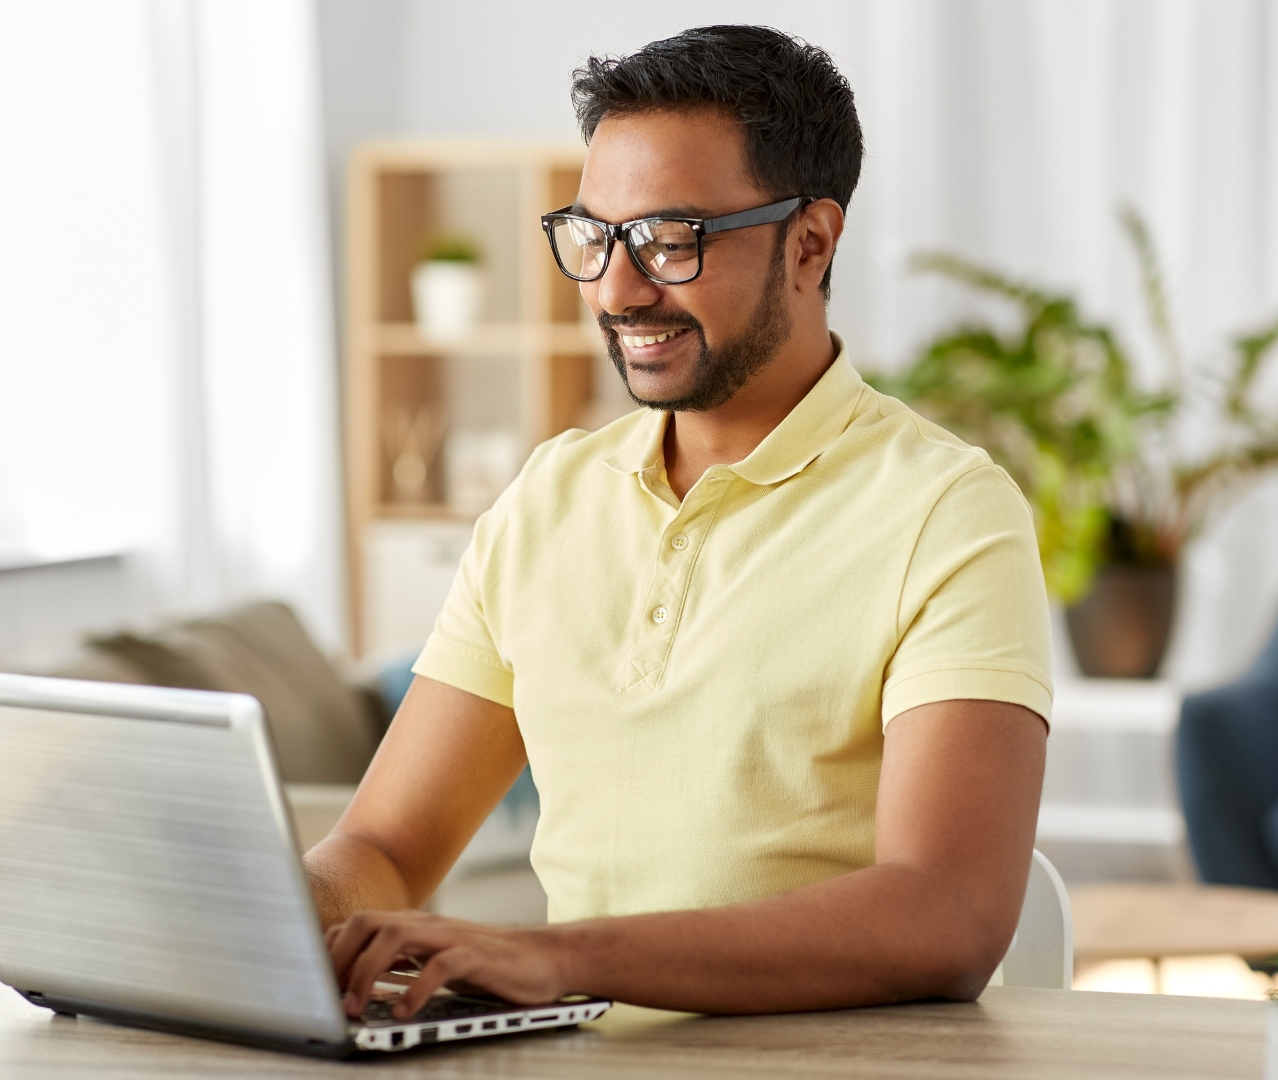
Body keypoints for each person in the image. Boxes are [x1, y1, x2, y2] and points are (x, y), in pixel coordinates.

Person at [307, 24, 1052, 1019]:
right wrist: (274, 913)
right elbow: (389, 847)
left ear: (812, 243)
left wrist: (560, 957)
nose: (617, 289)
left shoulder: (948, 513)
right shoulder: (547, 500)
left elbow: (948, 913)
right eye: (596, 235)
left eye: (670, 239)